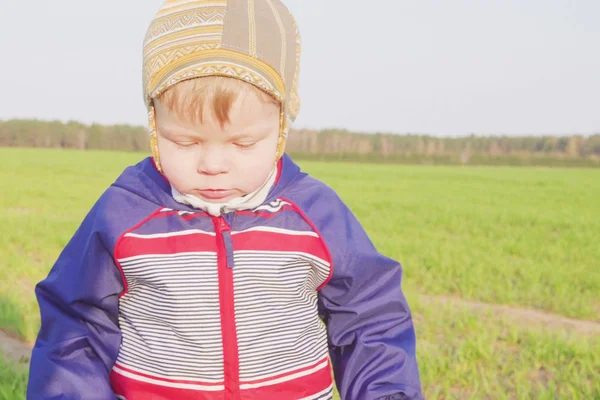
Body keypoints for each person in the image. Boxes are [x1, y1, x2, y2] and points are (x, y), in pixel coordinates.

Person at [27, 1, 422, 399]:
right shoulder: (124, 213)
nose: (213, 165)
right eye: (184, 141)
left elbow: (370, 318)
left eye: (243, 142)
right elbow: (74, 326)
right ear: (154, 125)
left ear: (281, 127)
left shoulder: (315, 215)